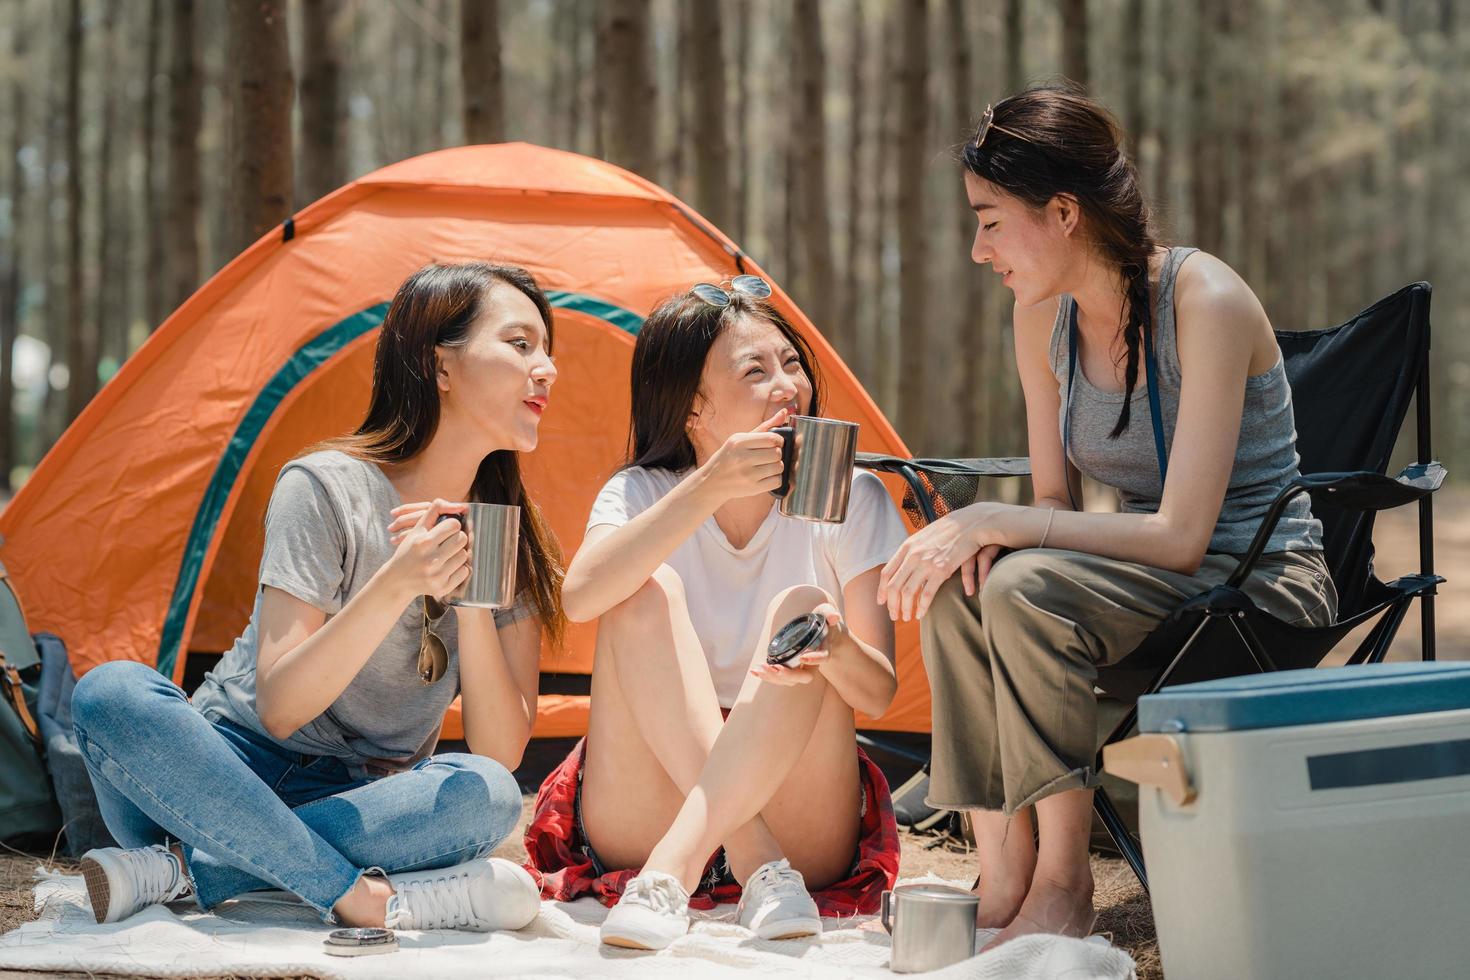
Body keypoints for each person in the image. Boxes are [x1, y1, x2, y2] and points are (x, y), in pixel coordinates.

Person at [879, 87, 1337, 948]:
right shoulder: (1037, 316)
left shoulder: (1205, 300)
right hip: (1137, 582)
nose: (978, 251)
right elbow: (1053, 505)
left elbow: (1180, 536)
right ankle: (1006, 870)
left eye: (989, 221)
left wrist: (996, 523)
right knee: (963, 587)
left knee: (1020, 587)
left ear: (1062, 212)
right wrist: (987, 536)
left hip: (1255, 581)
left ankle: (1064, 882)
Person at [70, 262, 567, 932]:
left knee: (490, 795)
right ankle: (340, 888)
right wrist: (397, 583)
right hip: (218, 768)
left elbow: (500, 749)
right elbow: (278, 708)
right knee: (112, 693)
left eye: (546, 349)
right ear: (439, 365)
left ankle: (187, 870)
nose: (546, 368)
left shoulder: (508, 533)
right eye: (519, 344)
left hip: (358, 799)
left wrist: (472, 591)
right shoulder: (325, 486)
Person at [524, 275, 906, 950]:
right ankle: (755, 863)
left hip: (801, 803)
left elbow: (877, 694)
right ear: (692, 409)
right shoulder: (641, 491)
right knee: (640, 590)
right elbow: (582, 596)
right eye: (756, 371)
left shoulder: (854, 494)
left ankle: (674, 871)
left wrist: (836, 646)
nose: (787, 386)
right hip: (645, 797)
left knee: (806, 608)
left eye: (792, 365)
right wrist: (708, 488)